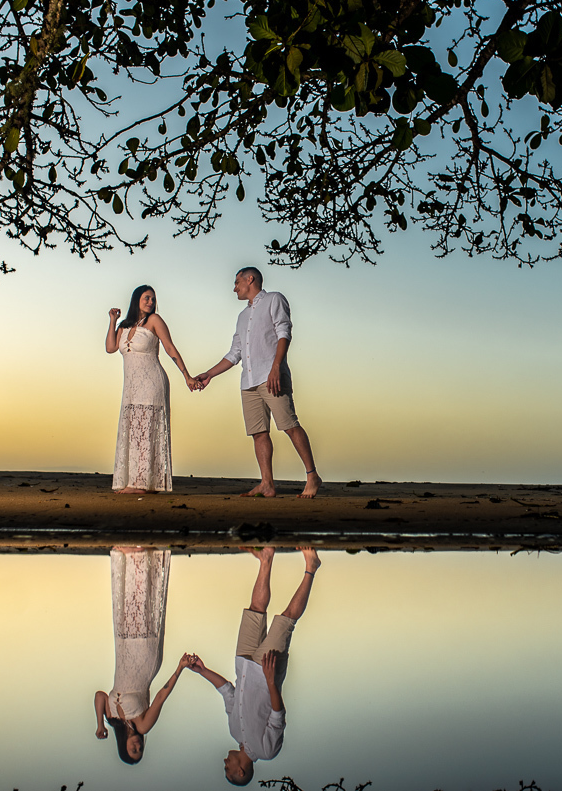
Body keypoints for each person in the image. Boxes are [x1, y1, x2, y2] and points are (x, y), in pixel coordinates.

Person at [187, 547, 322, 785]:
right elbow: (278, 715)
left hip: (243, 664)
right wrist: (271, 681)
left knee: (255, 610)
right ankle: (311, 567)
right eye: (228, 770)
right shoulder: (267, 751)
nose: (225, 764)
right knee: (286, 619)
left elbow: (228, 691)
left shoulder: (234, 732)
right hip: (265, 671)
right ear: (241, 772)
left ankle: (266, 557)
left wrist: (203, 670)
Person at [194, 268, 322, 498]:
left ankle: (312, 475)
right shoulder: (242, 317)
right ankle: (267, 484)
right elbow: (235, 353)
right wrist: (209, 374)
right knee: (258, 433)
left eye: (237, 282)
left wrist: (276, 369)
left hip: (271, 376)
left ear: (250, 279)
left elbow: (284, 333)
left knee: (290, 425)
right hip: (249, 381)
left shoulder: (274, 299)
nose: (234, 288)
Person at [93, 547, 190, 764]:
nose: (138, 745)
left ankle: (129, 556)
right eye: (140, 750)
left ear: (123, 747)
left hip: (124, 651)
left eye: (133, 750)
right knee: (144, 607)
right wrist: (179, 669)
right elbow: (160, 698)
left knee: (127, 608)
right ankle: (144, 556)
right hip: (145, 660)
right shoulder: (142, 725)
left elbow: (100, 696)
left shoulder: (112, 718)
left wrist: (100, 723)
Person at [106, 285, 199, 493]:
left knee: (146, 431)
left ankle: (140, 484)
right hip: (130, 387)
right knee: (133, 432)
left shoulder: (155, 321)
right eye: (147, 298)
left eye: (153, 299)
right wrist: (112, 322)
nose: (150, 302)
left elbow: (169, 347)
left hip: (152, 383)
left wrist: (187, 376)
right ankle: (138, 481)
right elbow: (111, 348)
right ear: (136, 299)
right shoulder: (124, 326)